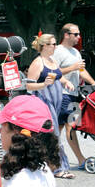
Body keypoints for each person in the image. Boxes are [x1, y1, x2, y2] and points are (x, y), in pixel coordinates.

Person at [25, 34, 74, 178]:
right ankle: (59, 168)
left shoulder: (52, 61)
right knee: (54, 134)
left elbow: (59, 76)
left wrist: (66, 82)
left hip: (55, 102)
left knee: (46, 135)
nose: (55, 46)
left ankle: (42, 164)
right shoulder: (38, 63)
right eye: (53, 44)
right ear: (45, 46)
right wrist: (44, 84)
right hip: (44, 101)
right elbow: (29, 85)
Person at [56, 23, 95, 168]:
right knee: (69, 126)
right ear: (66, 35)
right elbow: (51, 72)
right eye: (76, 34)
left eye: (79, 34)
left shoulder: (76, 52)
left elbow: (81, 71)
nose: (78, 37)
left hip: (73, 94)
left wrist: (93, 82)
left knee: (63, 128)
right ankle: (80, 159)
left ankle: (53, 159)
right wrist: (72, 68)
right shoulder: (58, 51)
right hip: (61, 94)